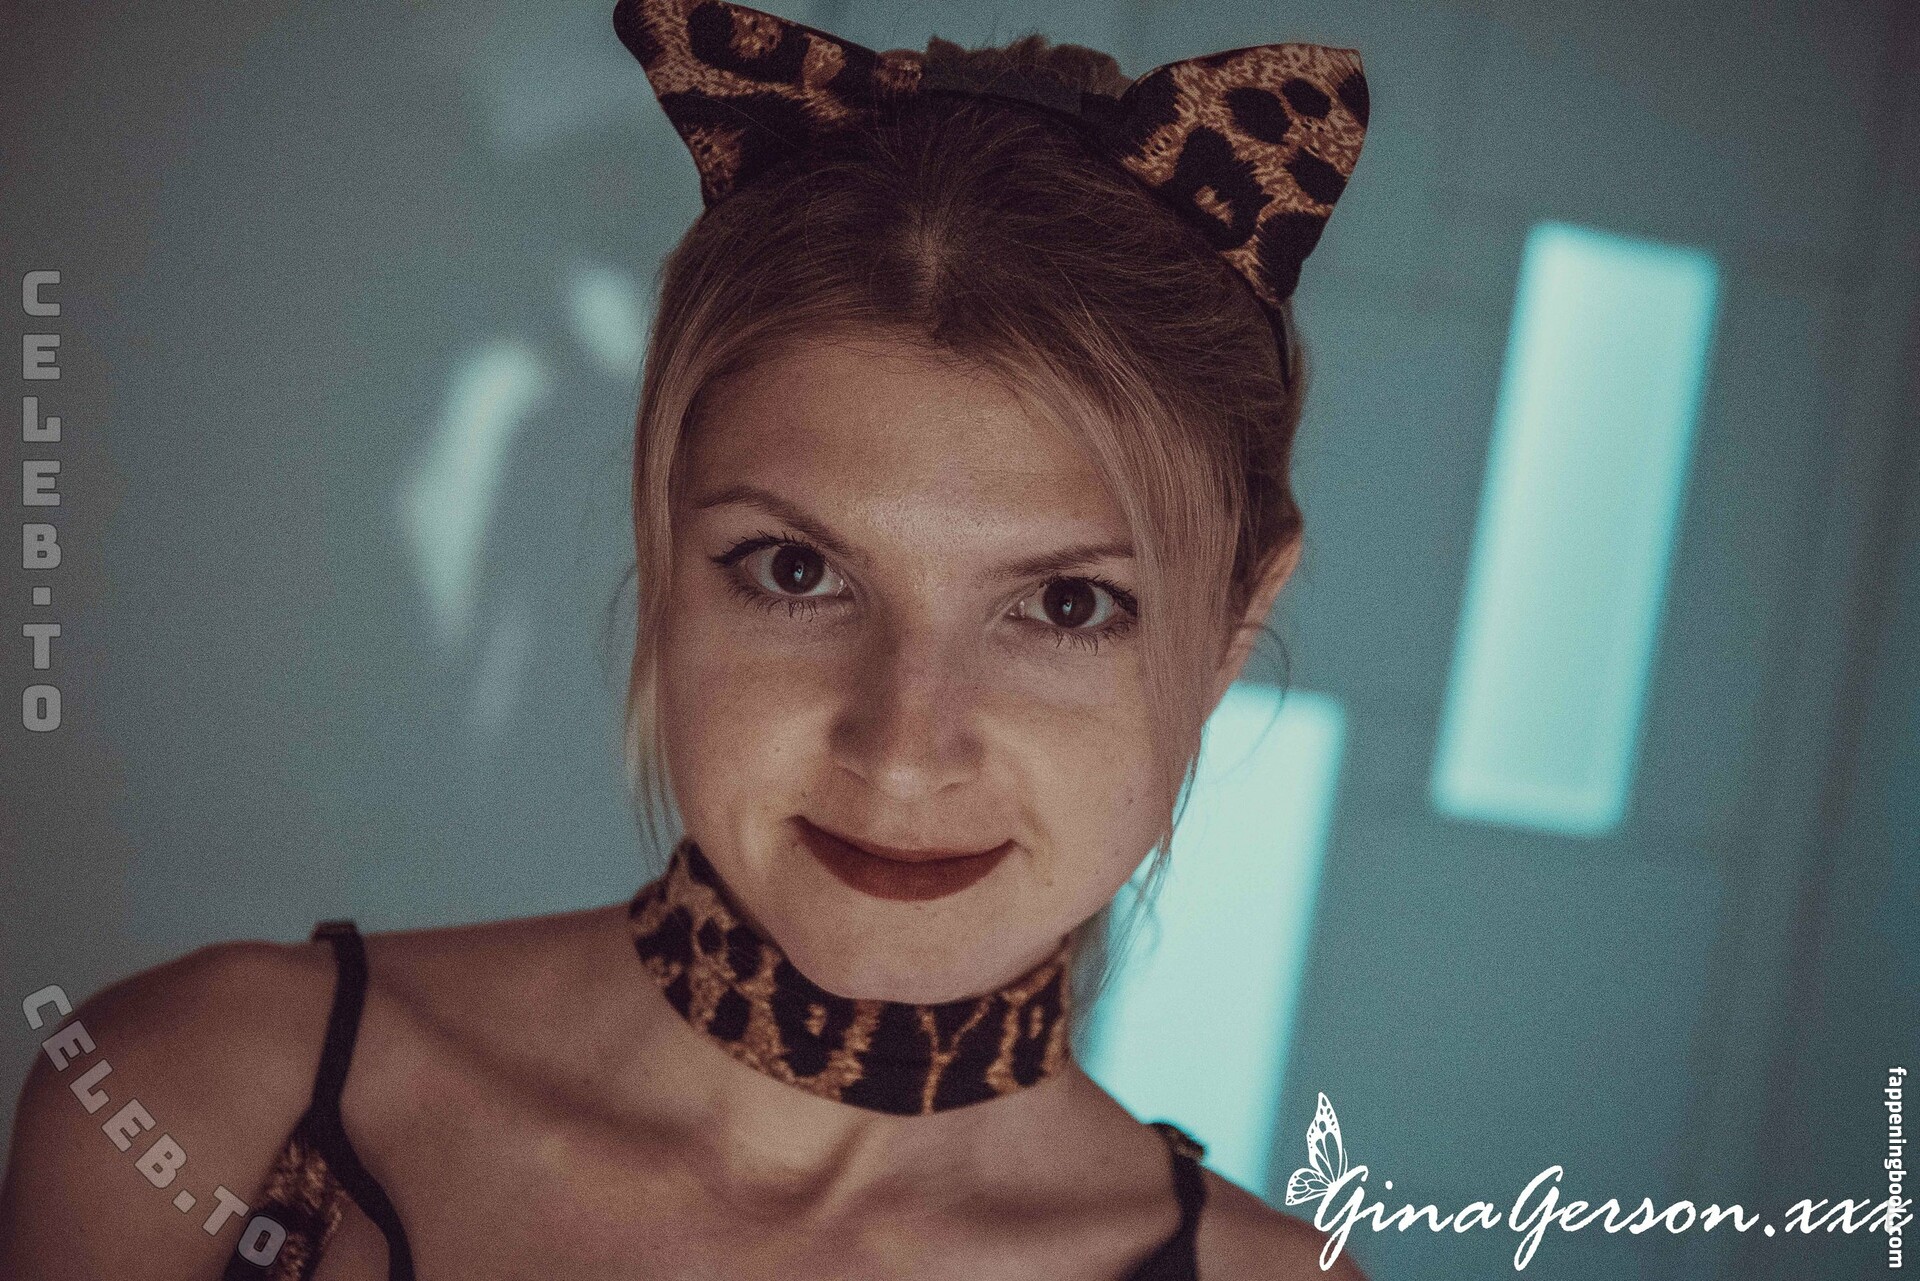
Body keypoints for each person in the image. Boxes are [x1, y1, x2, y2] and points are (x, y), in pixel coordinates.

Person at [0, 0, 1372, 1276]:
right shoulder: (196, 1108)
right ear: (664, 555)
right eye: (796, 569)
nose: (902, 752)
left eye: (1067, 604)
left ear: (1232, 626)